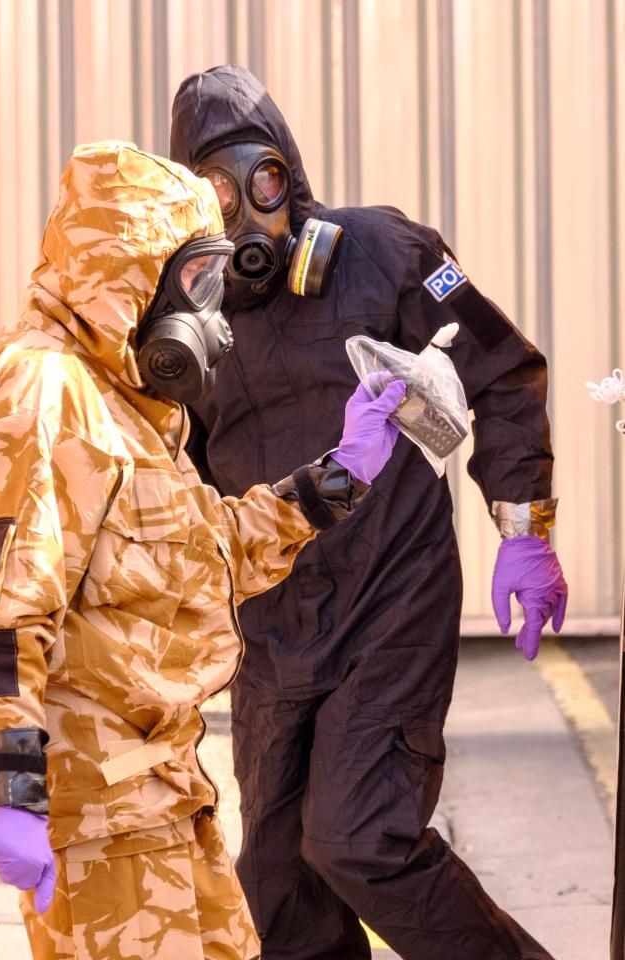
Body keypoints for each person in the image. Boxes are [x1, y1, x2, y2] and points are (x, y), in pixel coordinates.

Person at [0, 141, 407, 960]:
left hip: (164, 795)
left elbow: (204, 552)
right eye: (196, 284)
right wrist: (14, 788)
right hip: (100, 822)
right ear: (127, 276)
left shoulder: (124, 406)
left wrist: (336, 478)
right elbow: (4, 606)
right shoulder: (45, 393)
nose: (214, 314)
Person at [169, 65, 568, 960]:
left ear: (291, 174)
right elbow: (179, 483)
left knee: (359, 839)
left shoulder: (387, 253)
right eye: (214, 195)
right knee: (279, 884)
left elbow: (499, 372)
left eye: (260, 180)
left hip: (393, 597)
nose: (247, 214)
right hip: (272, 628)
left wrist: (525, 529)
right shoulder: (192, 321)